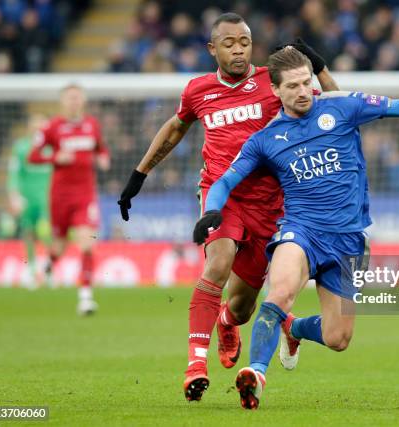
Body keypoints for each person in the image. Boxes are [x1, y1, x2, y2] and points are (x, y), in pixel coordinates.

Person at [193, 46, 399, 410]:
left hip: (347, 240)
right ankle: (257, 374)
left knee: (338, 337)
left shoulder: (342, 108)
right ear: (276, 91)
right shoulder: (266, 140)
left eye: (306, 82)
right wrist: (212, 211)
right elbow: (225, 181)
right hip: (301, 232)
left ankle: (293, 330)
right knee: (277, 294)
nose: (302, 91)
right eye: (292, 85)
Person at [117, 13, 339, 401]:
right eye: (229, 43)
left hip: (271, 203)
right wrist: (139, 175)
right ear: (212, 49)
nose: (238, 49)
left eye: (244, 42)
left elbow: (334, 105)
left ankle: (225, 321)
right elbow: (174, 129)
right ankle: (194, 365)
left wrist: (318, 67)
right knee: (217, 263)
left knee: (241, 307)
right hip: (222, 195)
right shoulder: (198, 91)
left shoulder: (273, 81)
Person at [28, 84, 110, 315]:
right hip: (60, 196)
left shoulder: (91, 124)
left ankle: (85, 297)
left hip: (85, 194)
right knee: (60, 245)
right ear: (63, 101)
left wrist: (103, 158)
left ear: (82, 100)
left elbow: (101, 148)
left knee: (86, 242)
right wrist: (55, 157)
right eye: (70, 98)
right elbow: (33, 156)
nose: (74, 101)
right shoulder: (52, 127)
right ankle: (45, 271)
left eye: (77, 97)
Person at [7, 113, 52, 287]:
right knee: (28, 232)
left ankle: (49, 269)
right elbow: (14, 173)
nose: (39, 126)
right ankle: (31, 268)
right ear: (30, 126)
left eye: (42, 122)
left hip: (47, 196)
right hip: (27, 197)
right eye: (36, 122)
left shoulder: (52, 146)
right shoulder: (21, 147)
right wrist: (14, 194)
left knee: (47, 232)